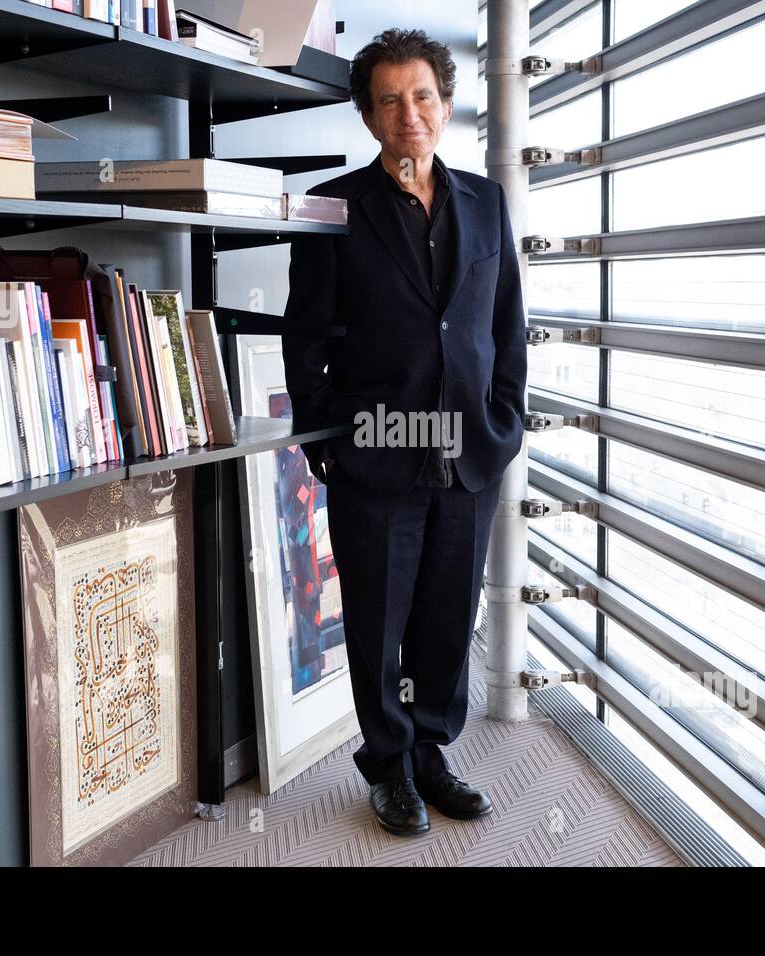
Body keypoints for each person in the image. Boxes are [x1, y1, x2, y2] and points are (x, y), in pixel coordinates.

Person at [280, 27, 527, 836]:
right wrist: (327, 445)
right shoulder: (332, 206)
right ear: (368, 115)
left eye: (421, 96)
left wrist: (504, 423)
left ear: (446, 105)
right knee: (379, 624)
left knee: (447, 618)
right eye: (389, 100)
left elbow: (506, 325)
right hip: (375, 454)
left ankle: (430, 751)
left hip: (469, 455)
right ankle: (386, 764)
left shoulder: (488, 203)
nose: (408, 114)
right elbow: (304, 336)